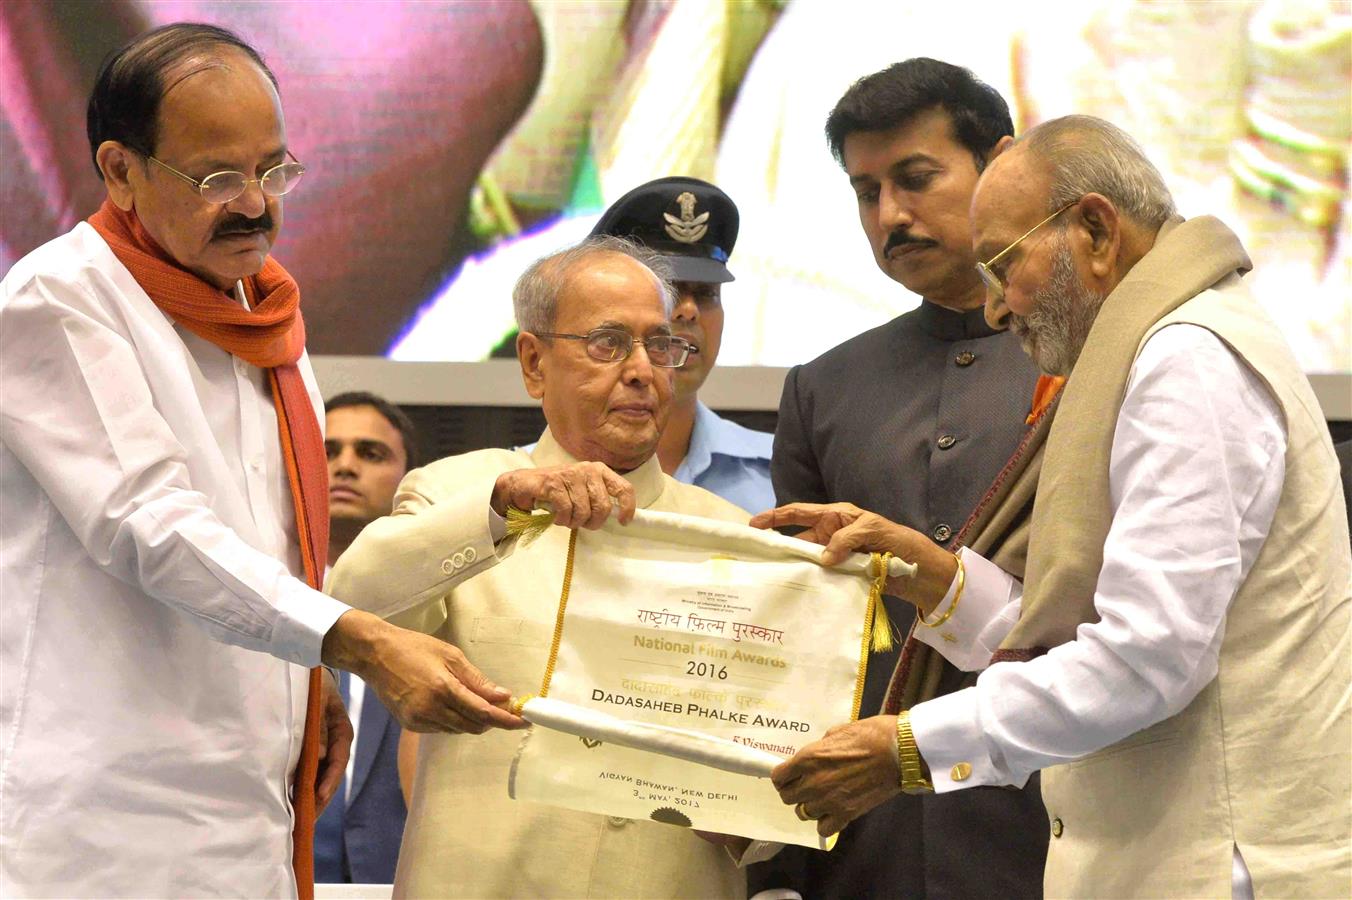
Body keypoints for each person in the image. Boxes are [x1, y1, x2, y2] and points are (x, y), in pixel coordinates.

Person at [764, 115, 1351, 898]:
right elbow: (1108, 638)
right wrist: (937, 580)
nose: (1000, 309)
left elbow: (1143, 661)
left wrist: (909, 747)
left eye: (1004, 266)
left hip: (1215, 865)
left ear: (1097, 232)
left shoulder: (1185, 361)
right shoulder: (1170, 341)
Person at [0, 24, 522, 898]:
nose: (254, 204)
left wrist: (308, 680)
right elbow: (151, 524)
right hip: (103, 826)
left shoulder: (262, 311)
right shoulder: (56, 300)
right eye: (215, 178)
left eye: (272, 170)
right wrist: (351, 643)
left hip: (252, 807)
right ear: (120, 169)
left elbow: (277, 542)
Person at [328, 236, 765, 898]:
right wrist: (503, 510)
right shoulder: (462, 494)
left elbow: (774, 766)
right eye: (608, 343)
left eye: (661, 345)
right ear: (533, 363)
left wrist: (752, 823)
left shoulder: (735, 539)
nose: (643, 369)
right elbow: (354, 603)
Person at [750, 58, 1047, 899]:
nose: (891, 215)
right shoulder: (824, 386)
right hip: (869, 839)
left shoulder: (1099, 360)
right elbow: (805, 628)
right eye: (865, 191)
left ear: (1001, 165)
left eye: (916, 179)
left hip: (1058, 820)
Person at [592, 177, 774, 514]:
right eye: (668, 290)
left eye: (706, 294)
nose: (688, 310)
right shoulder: (524, 482)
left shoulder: (776, 477)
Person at [315, 392, 422, 884]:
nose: (345, 467)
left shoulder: (441, 612)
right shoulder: (248, 606)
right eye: (328, 450)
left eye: (371, 453)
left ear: (411, 482)